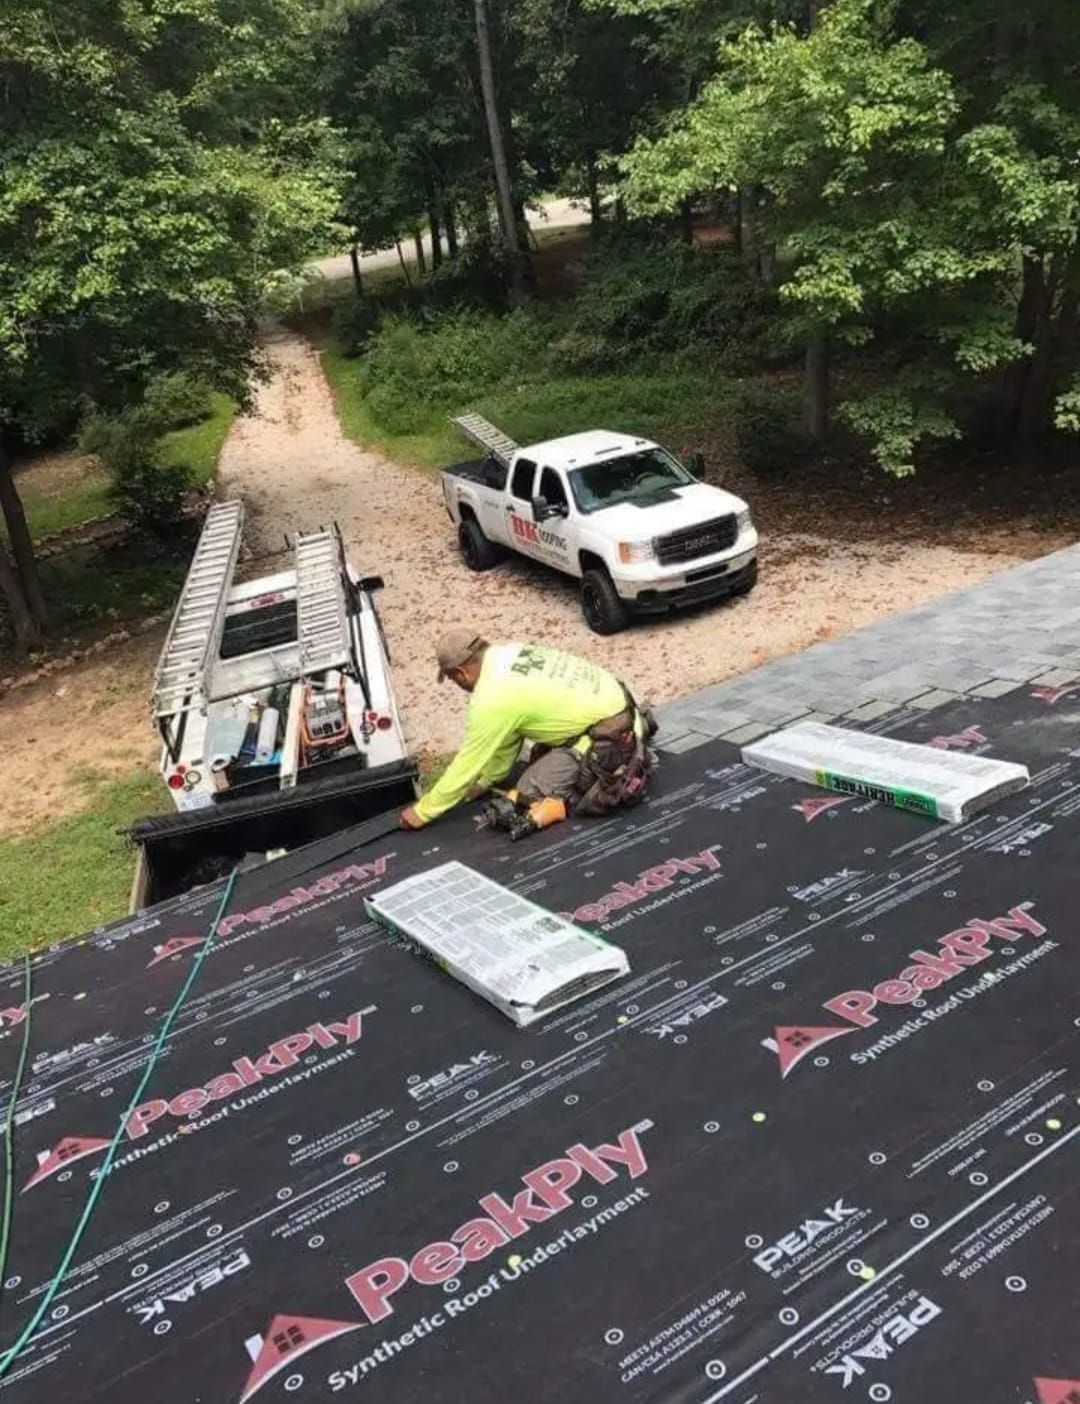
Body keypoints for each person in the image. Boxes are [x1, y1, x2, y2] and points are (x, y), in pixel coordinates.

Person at [399, 630, 654, 832]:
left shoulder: (492, 697)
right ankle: (622, 747)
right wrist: (488, 780)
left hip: (608, 737)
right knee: (539, 757)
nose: (457, 685)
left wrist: (423, 812)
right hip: (620, 705)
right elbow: (510, 735)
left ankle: (612, 781)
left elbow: (467, 764)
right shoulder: (509, 653)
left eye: (453, 680)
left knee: (527, 791)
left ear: (460, 672)